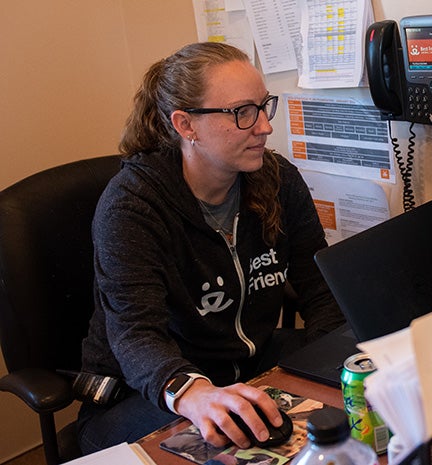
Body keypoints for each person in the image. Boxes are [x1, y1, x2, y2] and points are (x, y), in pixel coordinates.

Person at [77, 42, 345, 454]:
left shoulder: (277, 180)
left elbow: (319, 286)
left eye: (263, 106)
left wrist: (327, 369)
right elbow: (136, 335)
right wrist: (195, 393)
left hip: (249, 366)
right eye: (242, 113)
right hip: (144, 393)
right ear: (186, 125)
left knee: (358, 401)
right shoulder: (132, 206)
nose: (264, 127)